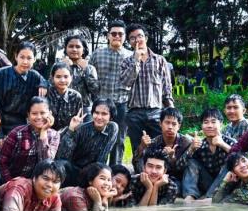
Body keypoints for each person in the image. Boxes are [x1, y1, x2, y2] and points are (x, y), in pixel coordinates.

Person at [120, 24, 174, 165]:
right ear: (129, 42)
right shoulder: (126, 62)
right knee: (138, 149)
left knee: (159, 148)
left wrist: (171, 110)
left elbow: (167, 88)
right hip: (135, 113)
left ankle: (159, 174)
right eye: (132, 38)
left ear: (146, 38)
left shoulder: (159, 60)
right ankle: (140, 175)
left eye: (140, 36)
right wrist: (136, 60)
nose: (137, 40)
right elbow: (126, 82)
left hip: (156, 112)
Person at [90, 20, 133, 166]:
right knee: (97, 137)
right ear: (108, 35)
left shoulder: (131, 56)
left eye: (120, 34)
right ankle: (96, 169)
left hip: (122, 103)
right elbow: (90, 77)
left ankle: (115, 170)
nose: (117, 36)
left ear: (125, 36)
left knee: (119, 139)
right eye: (113, 33)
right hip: (101, 104)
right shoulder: (97, 54)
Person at [0, 41, 48, 142]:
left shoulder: (35, 76)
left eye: (29, 58)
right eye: (22, 57)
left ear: (34, 59)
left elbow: (48, 83)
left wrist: (44, 84)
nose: (25, 62)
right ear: (16, 56)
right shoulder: (2, 74)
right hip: (3, 123)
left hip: (26, 124)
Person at [56, 98, 119, 186]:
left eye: (104, 114)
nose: (99, 117)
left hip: (95, 172)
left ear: (111, 117)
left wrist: (95, 178)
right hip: (74, 171)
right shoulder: (82, 129)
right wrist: (71, 130)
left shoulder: (112, 128)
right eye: (96, 113)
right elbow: (62, 156)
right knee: (62, 164)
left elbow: (103, 156)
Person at [0, 97, 60, 184]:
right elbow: (2, 161)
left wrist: (43, 133)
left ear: (50, 114)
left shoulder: (54, 135)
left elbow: (46, 164)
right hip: (12, 182)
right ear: (28, 115)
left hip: (39, 185)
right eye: (34, 113)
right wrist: (10, 182)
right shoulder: (17, 133)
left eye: (43, 113)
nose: (39, 117)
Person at [182, 108, 235, 200]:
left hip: (227, 184)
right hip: (208, 184)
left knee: (229, 163)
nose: (210, 126)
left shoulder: (229, 142)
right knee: (191, 162)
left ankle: (209, 198)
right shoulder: (200, 145)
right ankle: (190, 197)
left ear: (221, 124)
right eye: (206, 122)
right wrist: (191, 149)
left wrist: (222, 144)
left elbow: (242, 159)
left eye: (213, 122)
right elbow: (181, 166)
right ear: (202, 126)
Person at [133, 107, 192, 184]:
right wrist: (142, 147)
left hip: (178, 180)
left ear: (179, 126)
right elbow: (137, 164)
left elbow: (184, 170)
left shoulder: (186, 143)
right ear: (160, 124)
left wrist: (172, 158)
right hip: (155, 178)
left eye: (174, 124)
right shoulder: (154, 142)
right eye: (167, 123)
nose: (170, 127)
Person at [0, 159, 64, 211]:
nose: (50, 185)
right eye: (45, 179)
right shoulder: (19, 188)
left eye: (55, 182)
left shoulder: (55, 198)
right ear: (34, 178)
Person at [63, 35, 100, 116]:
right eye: (71, 46)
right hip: (63, 108)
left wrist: (85, 70)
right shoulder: (59, 66)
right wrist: (65, 68)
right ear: (66, 49)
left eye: (78, 47)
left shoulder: (90, 68)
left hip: (85, 109)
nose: (74, 49)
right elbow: (52, 87)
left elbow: (95, 90)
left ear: (83, 50)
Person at [49, 63, 85, 131]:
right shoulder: (46, 95)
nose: (62, 80)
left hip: (69, 133)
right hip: (48, 134)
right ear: (52, 78)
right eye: (58, 77)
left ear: (71, 77)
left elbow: (79, 122)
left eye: (66, 77)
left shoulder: (76, 97)